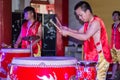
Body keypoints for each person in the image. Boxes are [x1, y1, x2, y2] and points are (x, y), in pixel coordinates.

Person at [59, 1, 112, 80]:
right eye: (78, 16)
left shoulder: (96, 22)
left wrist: (68, 33)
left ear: (87, 11)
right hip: (93, 57)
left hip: (100, 58)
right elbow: (78, 32)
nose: (80, 18)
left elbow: (85, 37)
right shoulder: (87, 24)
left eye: (81, 15)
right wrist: (67, 29)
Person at [110, 11, 120, 79]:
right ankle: (113, 76)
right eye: (113, 15)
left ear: (119, 16)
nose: (114, 16)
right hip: (113, 47)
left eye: (116, 15)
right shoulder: (113, 25)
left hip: (119, 46)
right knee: (114, 62)